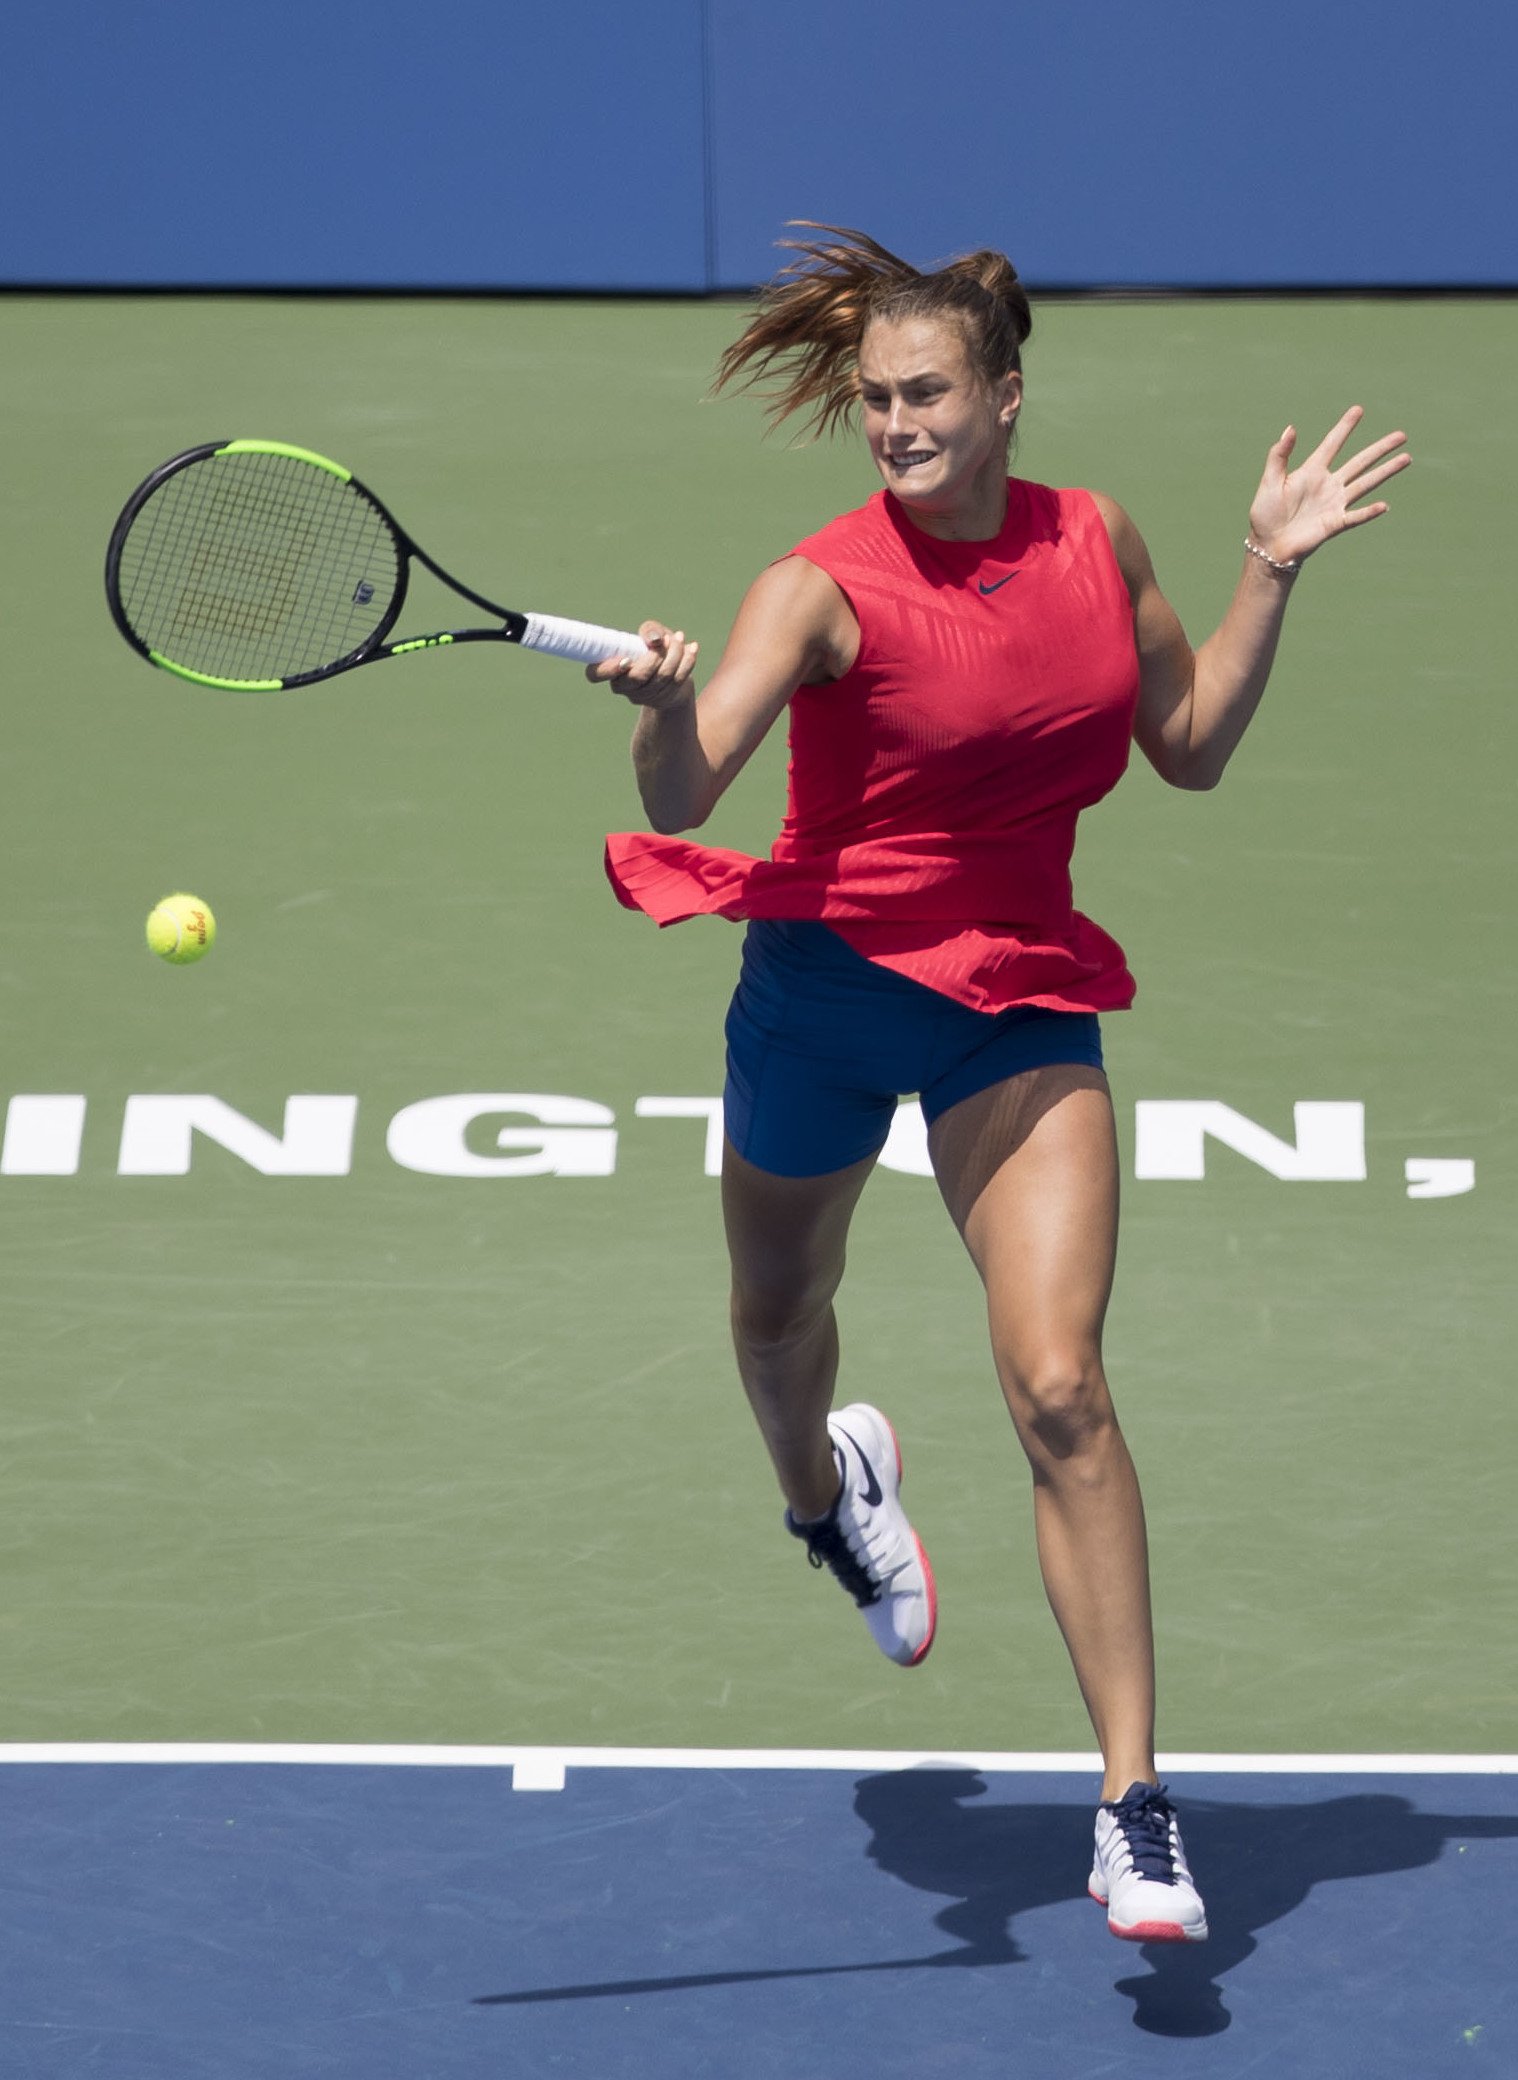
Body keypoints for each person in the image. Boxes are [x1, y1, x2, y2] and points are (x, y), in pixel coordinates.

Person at [590, 224, 1409, 1945]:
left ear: (1005, 397)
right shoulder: (815, 585)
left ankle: (1131, 1809)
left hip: (1013, 1003)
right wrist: (658, 712)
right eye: (876, 401)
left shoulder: (1092, 538)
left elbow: (1183, 746)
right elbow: (685, 799)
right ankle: (831, 1501)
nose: (892, 424)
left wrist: (1269, 570)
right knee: (770, 1322)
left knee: (1059, 1388)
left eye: (924, 394)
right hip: (823, 993)